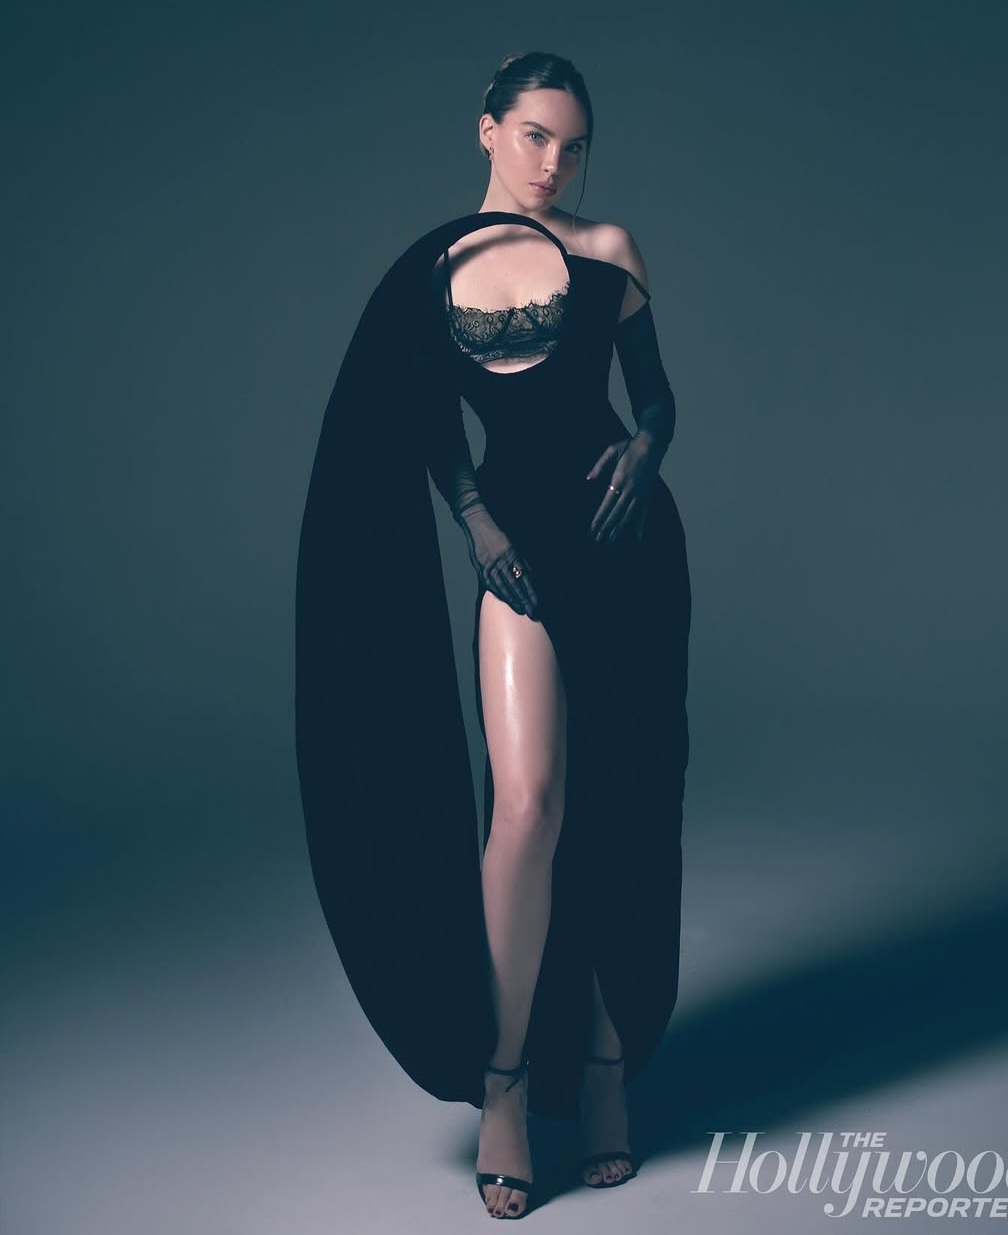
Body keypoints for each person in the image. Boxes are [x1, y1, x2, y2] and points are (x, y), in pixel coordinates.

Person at [294, 51, 690, 1222]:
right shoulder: (436, 272)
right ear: (487, 131)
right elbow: (420, 422)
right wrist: (473, 519)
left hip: (626, 546)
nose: (554, 162)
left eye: (573, 144)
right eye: (534, 137)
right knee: (524, 808)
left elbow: (655, 392)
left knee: (615, 796)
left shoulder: (609, 249)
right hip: (518, 554)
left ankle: (606, 1061)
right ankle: (505, 1078)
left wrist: (648, 446)